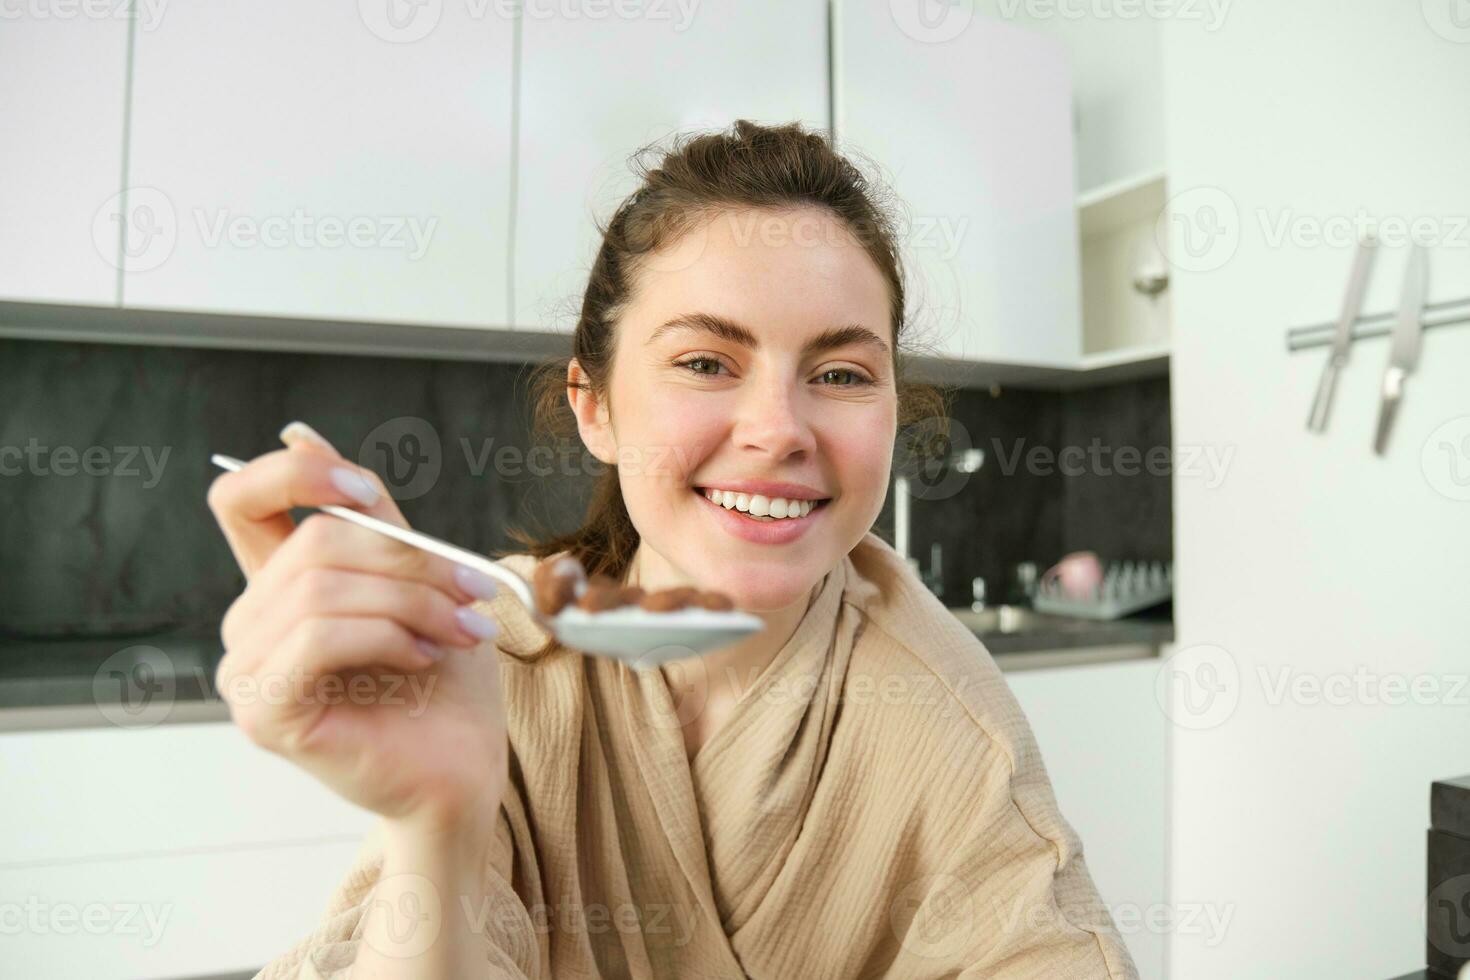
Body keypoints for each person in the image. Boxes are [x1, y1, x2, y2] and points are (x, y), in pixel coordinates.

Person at [208, 120, 1137, 979]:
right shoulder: (484, 658)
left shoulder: (950, 724)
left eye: (842, 374)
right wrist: (433, 826)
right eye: (705, 363)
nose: (778, 430)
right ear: (595, 405)